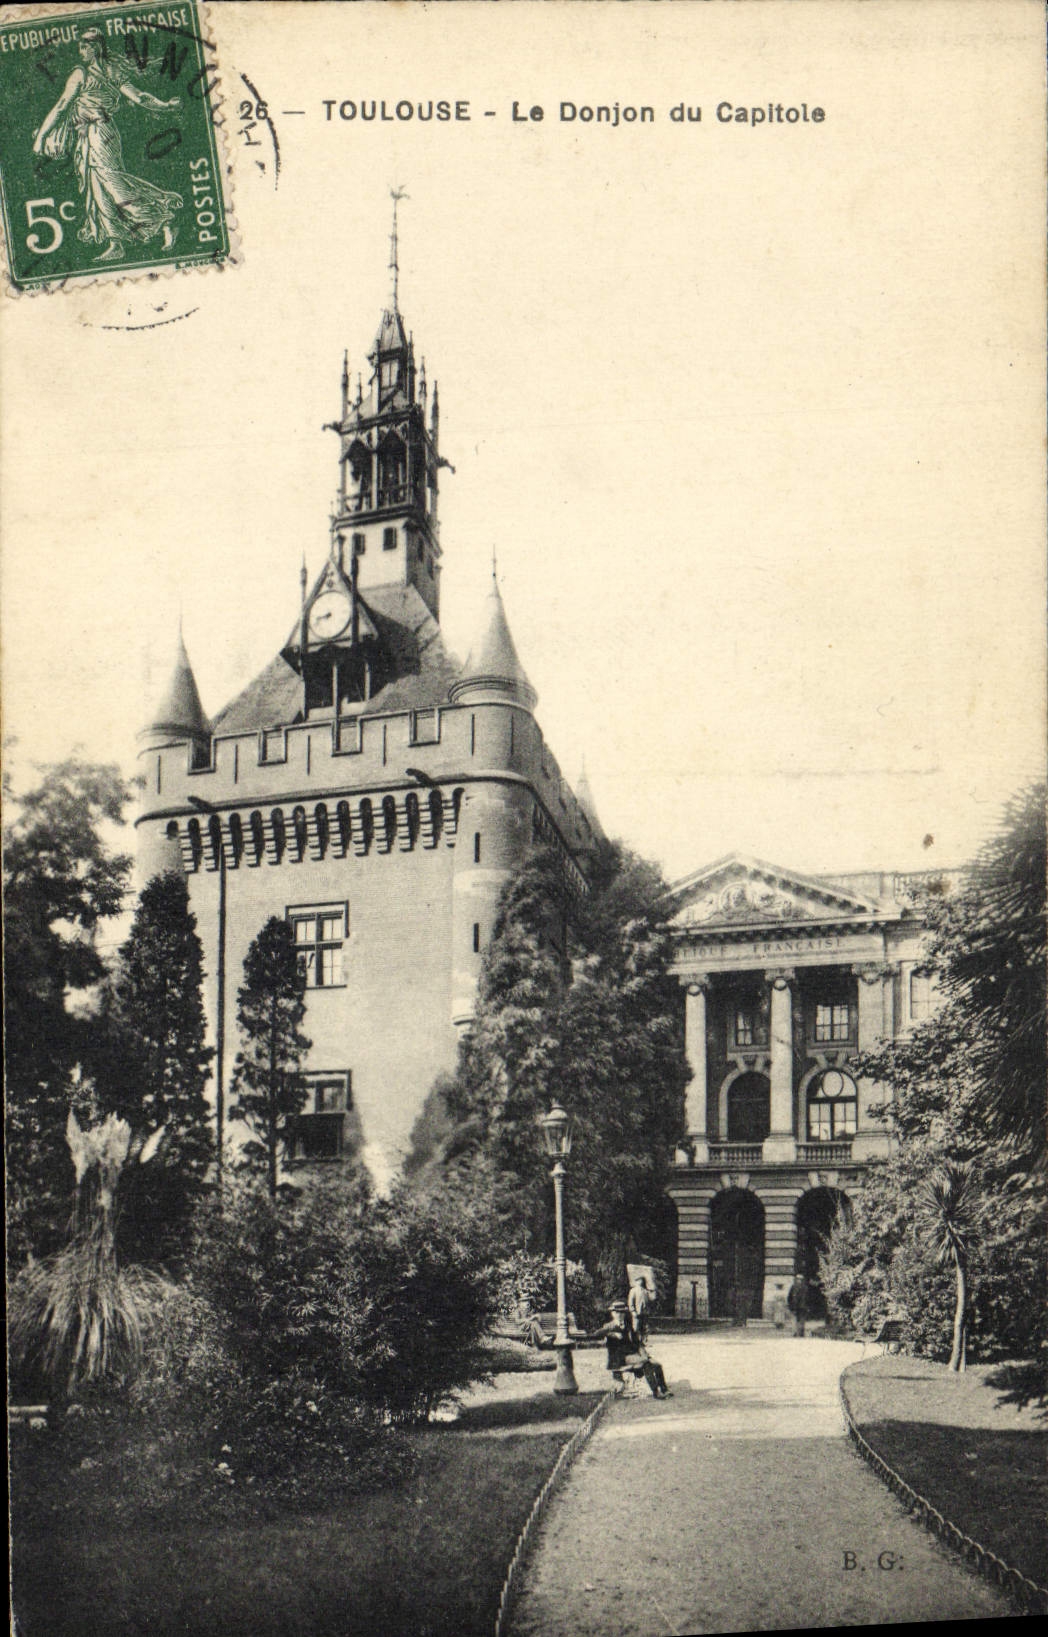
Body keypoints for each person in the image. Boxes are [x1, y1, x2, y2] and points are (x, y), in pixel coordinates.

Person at [31, 30, 183, 263]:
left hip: (100, 133)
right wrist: (165, 106)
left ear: (96, 48)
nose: (80, 51)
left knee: (113, 183)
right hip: (90, 134)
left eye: (84, 46)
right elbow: (140, 97)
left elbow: (62, 105)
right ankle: (116, 243)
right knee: (98, 189)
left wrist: (41, 137)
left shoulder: (82, 74)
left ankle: (161, 217)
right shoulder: (110, 72)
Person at [598, 1300, 671, 1398]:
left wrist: (646, 1356)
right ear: (612, 1313)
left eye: (622, 1312)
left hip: (633, 1355)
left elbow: (637, 1342)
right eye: (617, 1312)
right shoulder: (609, 1326)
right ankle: (656, 1392)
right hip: (620, 1359)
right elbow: (597, 1334)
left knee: (657, 1365)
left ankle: (664, 1389)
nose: (619, 1315)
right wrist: (612, 1334)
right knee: (646, 1364)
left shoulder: (628, 1326)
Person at [627, 1273, 652, 1345]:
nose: (640, 1282)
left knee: (645, 1328)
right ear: (636, 1281)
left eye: (641, 1280)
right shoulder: (633, 1290)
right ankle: (635, 1342)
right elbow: (630, 1302)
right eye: (638, 1280)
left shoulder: (645, 1291)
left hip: (644, 1312)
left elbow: (649, 1302)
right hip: (637, 1312)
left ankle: (643, 1342)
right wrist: (633, 1311)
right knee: (636, 1328)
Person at [787, 1272, 811, 1337]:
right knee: (795, 1320)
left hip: (802, 1307)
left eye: (800, 1279)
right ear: (796, 1279)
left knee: (801, 1320)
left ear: (802, 1280)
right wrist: (790, 1305)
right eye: (798, 1279)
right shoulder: (793, 1287)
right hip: (795, 1307)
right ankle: (796, 1332)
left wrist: (808, 1306)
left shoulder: (805, 1288)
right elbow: (789, 1297)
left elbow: (808, 1298)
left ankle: (800, 1332)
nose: (799, 1280)